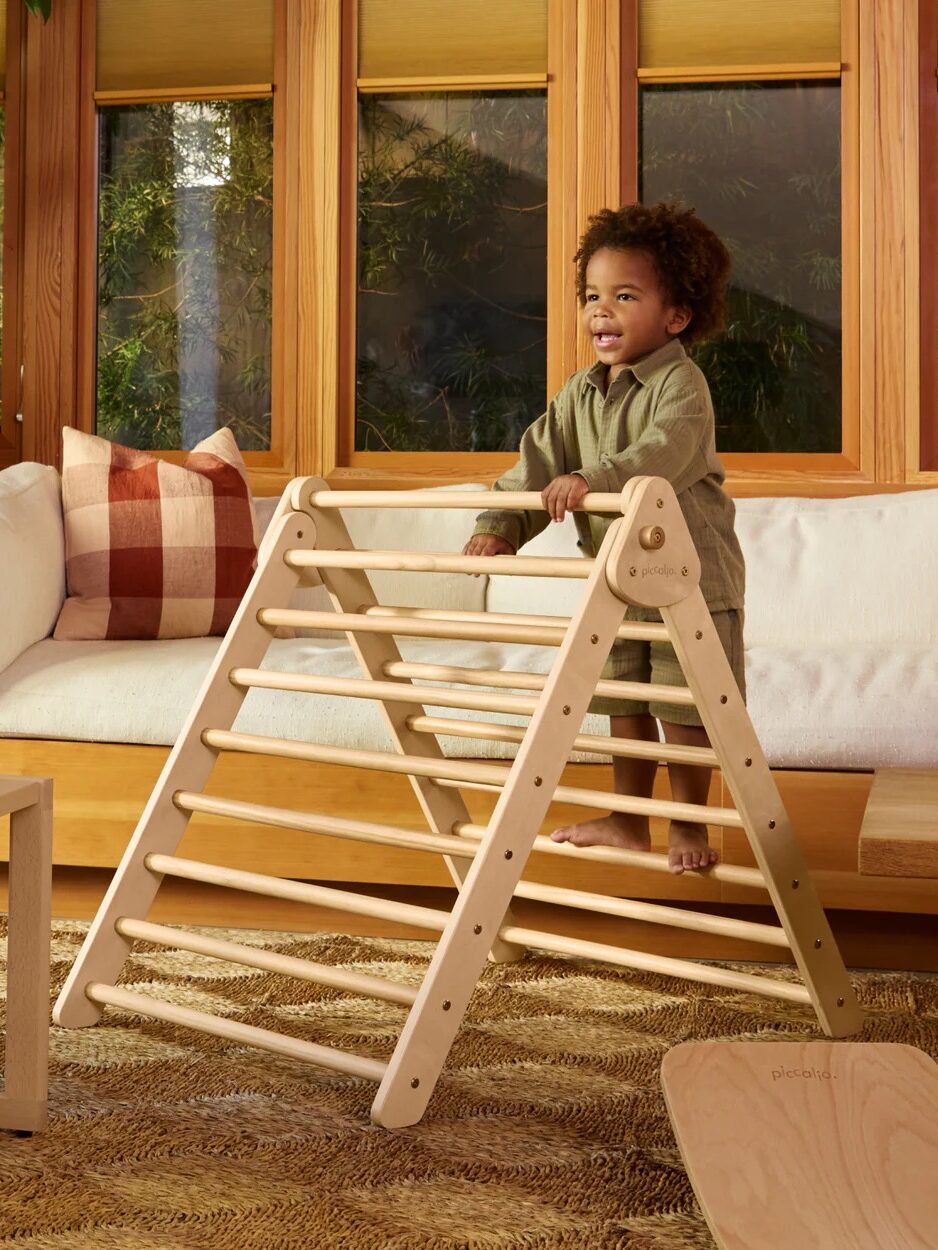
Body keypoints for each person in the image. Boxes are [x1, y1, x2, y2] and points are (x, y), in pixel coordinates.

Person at [463, 201, 745, 874]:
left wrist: (592, 479)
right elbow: (537, 458)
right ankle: (626, 818)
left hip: (689, 579)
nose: (601, 311)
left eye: (625, 296)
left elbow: (662, 455)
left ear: (675, 316)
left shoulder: (683, 385)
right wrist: (501, 525)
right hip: (618, 579)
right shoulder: (578, 394)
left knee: (682, 703)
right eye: (593, 295)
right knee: (622, 698)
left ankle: (686, 823)